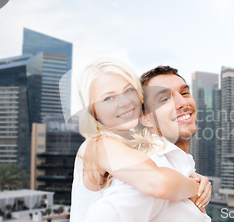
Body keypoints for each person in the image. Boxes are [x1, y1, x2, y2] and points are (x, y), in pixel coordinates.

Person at [70, 59, 210, 222]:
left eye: (129, 90)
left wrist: (188, 175)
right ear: (93, 112)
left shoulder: (137, 151)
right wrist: (196, 187)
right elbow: (158, 183)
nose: (125, 102)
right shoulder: (100, 144)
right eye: (108, 98)